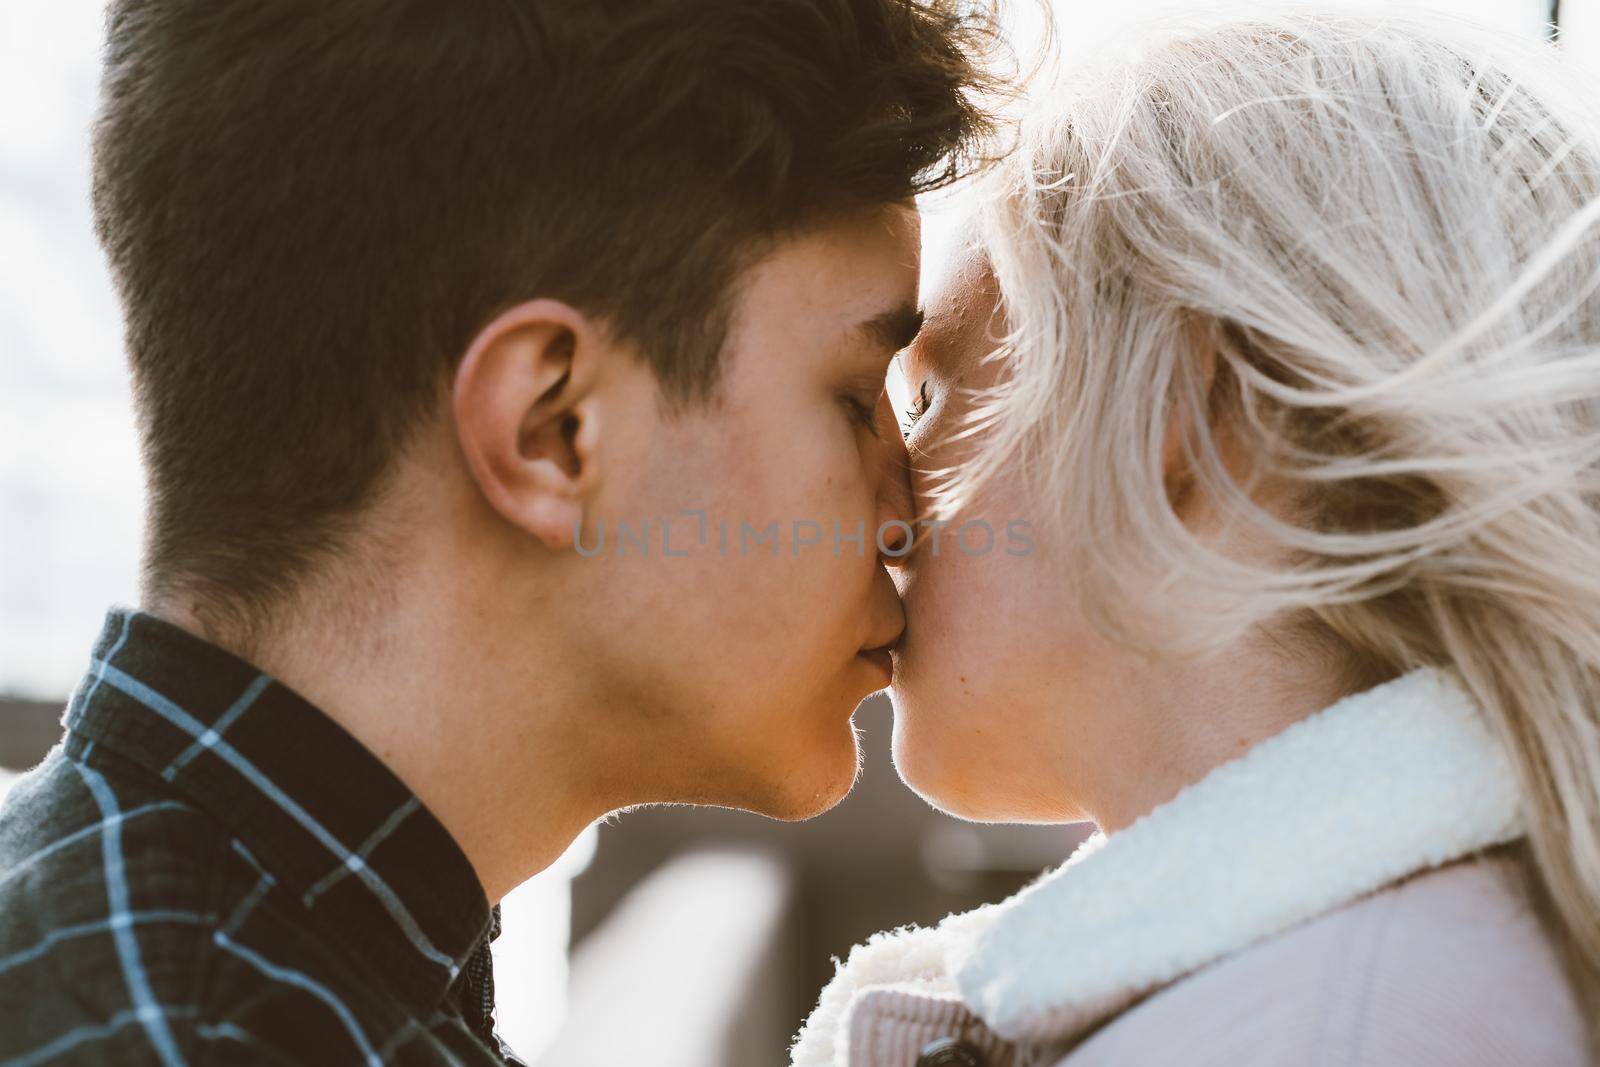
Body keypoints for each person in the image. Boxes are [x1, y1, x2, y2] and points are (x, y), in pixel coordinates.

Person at [0, 1, 1003, 1063]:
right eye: (854, 398)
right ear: (552, 429)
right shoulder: (188, 1037)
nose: (909, 510)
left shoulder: (243, 967)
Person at [794, 11, 1599, 1066]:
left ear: (1183, 419)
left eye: (931, 399)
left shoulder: (1327, 1032)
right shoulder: (1388, 979)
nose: (885, 506)